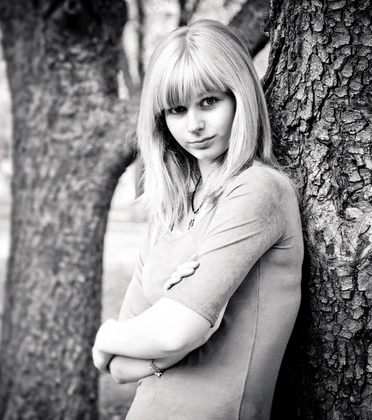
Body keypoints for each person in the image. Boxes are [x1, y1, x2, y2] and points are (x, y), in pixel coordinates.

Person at [92, 19, 304, 420]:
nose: (194, 125)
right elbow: (118, 368)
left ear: (239, 96)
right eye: (177, 108)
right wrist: (164, 337)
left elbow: (173, 334)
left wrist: (108, 337)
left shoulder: (258, 190)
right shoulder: (169, 211)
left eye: (209, 101)